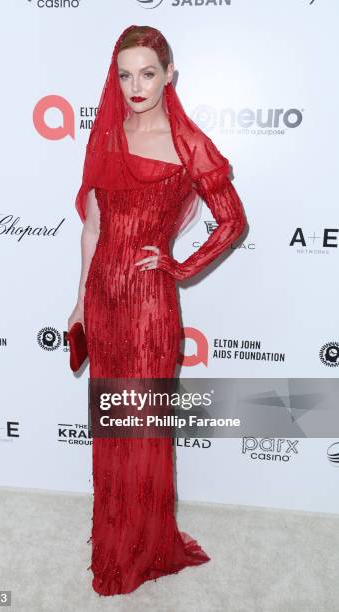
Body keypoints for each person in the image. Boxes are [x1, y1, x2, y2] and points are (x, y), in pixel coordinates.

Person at [68, 24, 247, 596]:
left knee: (141, 427)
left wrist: (178, 266)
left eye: (147, 72)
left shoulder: (185, 140)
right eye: (124, 74)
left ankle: (144, 549)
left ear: (170, 76)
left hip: (148, 306)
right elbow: (93, 226)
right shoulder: (108, 134)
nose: (134, 85)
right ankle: (117, 537)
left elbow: (232, 220)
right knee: (112, 426)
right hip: (104, 297)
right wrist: (78, 301)